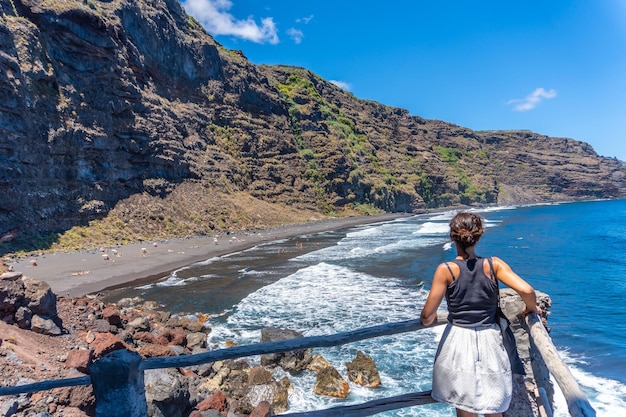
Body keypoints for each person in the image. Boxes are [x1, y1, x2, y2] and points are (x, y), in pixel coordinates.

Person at [420, 212, 541, 417]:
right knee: (493, 404)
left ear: (452, 237)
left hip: (458, 340)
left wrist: (427, 321)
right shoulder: (494, 265)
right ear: (479, 236)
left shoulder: (446, 269)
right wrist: (530, 308)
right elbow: (528, 291)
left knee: (465, 405)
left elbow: (427, 316)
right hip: (490, 339)